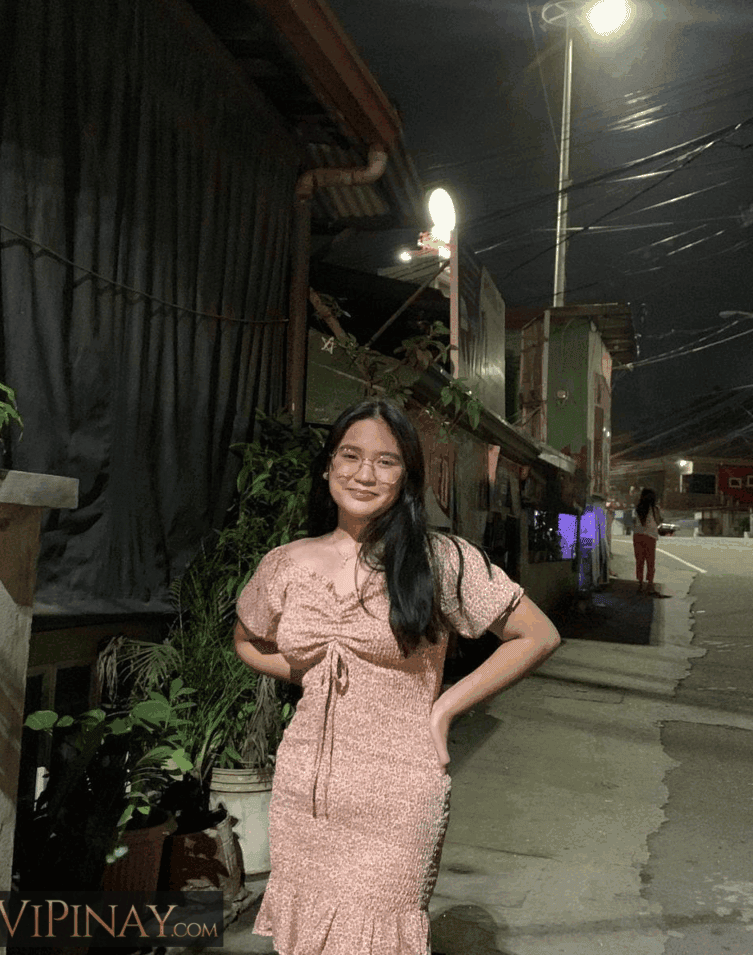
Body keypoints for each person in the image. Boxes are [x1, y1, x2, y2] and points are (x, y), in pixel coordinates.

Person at [234, 399, 560, 955]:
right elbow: (246, 640)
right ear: (328, 466)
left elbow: (537, 634)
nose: (365, 474)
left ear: (406, 476)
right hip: (306, 790)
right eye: (350, 455)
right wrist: (314, 672)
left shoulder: (439, 559)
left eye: (385, 461)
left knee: (381, 937)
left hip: (399, 790)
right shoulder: (287, 562)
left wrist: (444, 709)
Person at [632, 487, 662, 594]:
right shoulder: (655, 509)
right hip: (650, 536)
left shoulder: (637, 508)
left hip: (638, 536)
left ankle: (640, 584)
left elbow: (634, 522)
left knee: (639, 561)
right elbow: (658, 521)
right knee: (650, 562)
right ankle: (650, 584)